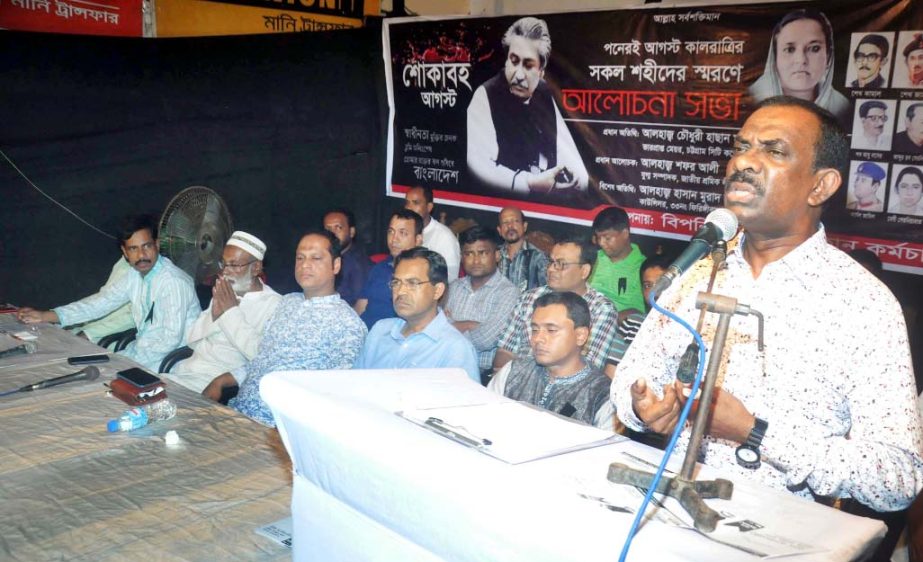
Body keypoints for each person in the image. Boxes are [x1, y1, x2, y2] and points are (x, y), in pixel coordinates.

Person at [612, 95, 923, 512]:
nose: (744, 162)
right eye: (741, 147)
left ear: (820, 185)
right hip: (664, 512)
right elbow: (629, 379)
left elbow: (896, 477)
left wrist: (756, 432)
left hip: (777, 537)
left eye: (774, 151)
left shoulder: (863, 304)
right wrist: (644, 405)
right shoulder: (698, 271)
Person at [203, 230, 366, 427]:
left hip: (276, 429)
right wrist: (222, 380)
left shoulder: (347, 324)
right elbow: (265, 359)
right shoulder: (288, 302)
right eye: (300, 258)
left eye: (316, 258)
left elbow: (336, 396)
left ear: (336, 265)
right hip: (238, 412)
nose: (305, 265)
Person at [17, 214, 200, 372]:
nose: (141, 255)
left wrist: (122, 363)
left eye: (146, 246)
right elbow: (100, 303)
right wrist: (48, 315)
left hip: (170, 363)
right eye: (133, 249)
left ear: (157, 245)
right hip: (139, 356)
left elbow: (169, 340)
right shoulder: (135, 275)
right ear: (125, 252)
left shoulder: (173, 282)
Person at [466, 16, 588, 195]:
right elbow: (480, 166)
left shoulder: (545, 92)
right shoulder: (485, 95)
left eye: (528, 65)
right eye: (513, 61)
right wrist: (529, 183)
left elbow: (575, 164)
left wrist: (575, 178)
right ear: (506, 61)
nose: (519, 75)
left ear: (541, 72)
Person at [165, 231, 282, 393]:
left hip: (217, 383)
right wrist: (214, 314)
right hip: (185, 371)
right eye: (224, 264)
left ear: (255, 268)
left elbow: (262, 357)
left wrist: (230, 313)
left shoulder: (275, 304)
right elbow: (191, 339)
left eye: (234, 265)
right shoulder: (225, 290)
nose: (225, 271)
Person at [489, 291, 613, 429]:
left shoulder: (602, 394)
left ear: (580, 336)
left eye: (551, 330)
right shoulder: (513, 372)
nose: (537, 339)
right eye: (535, 330)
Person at [354, 247, 480, 383]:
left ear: (437, 291)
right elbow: (354, 386)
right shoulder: (380, 331)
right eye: (396, 282)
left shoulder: (455, 348)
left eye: (412, 283)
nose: (401, 291)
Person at [494, 235, 617, 372]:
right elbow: (505, 350)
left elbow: (590, 366)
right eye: (551, 262)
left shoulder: (601, 309)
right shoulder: (529, 298)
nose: (551, 269)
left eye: (561, 264)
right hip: (517, 380)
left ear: (584, 271)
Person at [748, 9, 850, 126]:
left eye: (814, 48)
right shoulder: (753, 98)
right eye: (790, 50)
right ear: (774, 59)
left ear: (828, 55)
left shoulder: (841, 106)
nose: (801, 60)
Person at [445, 226, 520, 382]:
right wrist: (469, 325)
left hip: (481, 375)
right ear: (462, 257)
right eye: (469, 253)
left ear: (497, 255)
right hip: (444, 365)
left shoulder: (508, 292)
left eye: (483, 253)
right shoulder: (453, 287)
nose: (476, 260)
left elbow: (485, 340)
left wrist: (451, 325)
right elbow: (435, 328)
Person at [604, 254, 671, 380]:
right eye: (648, 285)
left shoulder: (689, 331)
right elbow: (610, 376)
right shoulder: (632, 323)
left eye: (662, 283)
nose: (654, 292)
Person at [354, 209, 423, 329]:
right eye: (391, 232)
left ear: (418, 240)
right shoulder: (379, 268)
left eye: (403, 233)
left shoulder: (424, 274)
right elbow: (360, 308)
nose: (394, 239)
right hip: (364, 335)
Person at [587, 206, 646, 316]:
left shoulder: (642, 268)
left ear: (625, 233)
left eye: (607, 238)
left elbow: (638, 313)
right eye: (599, 238)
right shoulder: (593, 258)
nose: (601, 243)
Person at [66, 257, 135, 343]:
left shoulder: (145, 268)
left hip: (109, 338)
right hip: (86, 328)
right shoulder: (124, 261)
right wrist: (65, 319)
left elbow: (133, 319)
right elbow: (103, 298)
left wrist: (89, 333)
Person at [404, 186, 461, 280]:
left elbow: (450, 281)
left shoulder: (444, 237)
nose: (408, 208)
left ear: (429, 207)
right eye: (407, 203)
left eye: (415, 203)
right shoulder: (403, 230)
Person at [323, 208, 371, 306]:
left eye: (338, 228)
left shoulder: (359, 264)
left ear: (351, 232)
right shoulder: (321, 258)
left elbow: (361, 305)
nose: (332, 233)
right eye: (328, 229)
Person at [496, 206, 547, 292]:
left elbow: (547, 291)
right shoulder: (491, 256)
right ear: (499, 230)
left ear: (524, 226)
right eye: (505, 222)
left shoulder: (538, 257)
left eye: (515, 221)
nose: (510, 226)